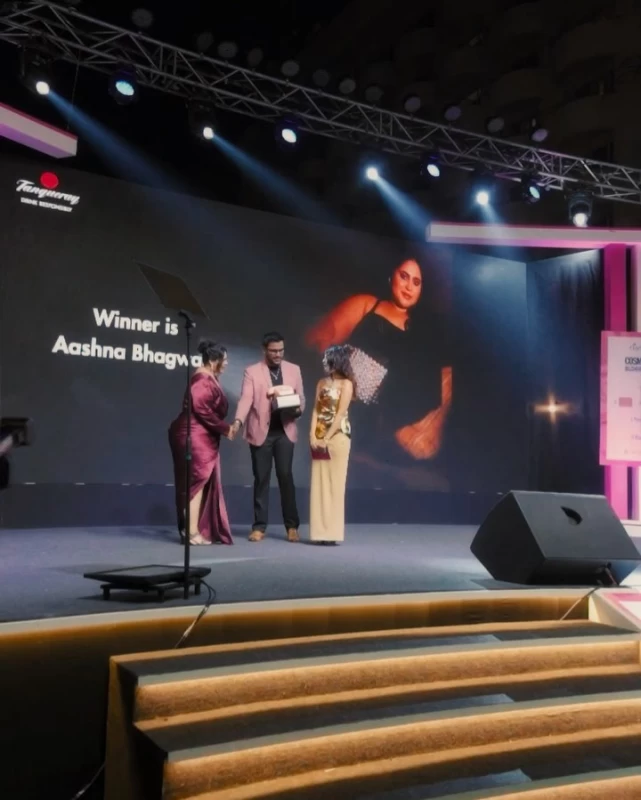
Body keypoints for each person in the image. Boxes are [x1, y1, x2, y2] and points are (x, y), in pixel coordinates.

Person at [306, 258, 452, 482]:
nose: (409, 286)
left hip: (394, 423)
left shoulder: (422, 333)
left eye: (416, 282)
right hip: (349, 402)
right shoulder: (367, 304)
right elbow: (319, 340)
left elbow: (436, 386)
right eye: (404, 276)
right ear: (392, 276)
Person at [232, 332, 305, 542]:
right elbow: (246, 399)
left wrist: (298, 409)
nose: (278, 354)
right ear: (264, 350)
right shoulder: (252, 371)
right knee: (261, 479)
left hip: (285, 432)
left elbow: (301, 398)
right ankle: (259, 527)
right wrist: (238, 421)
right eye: (273, 351)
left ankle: (292, 526)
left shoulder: (294, 369)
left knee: (285, 476)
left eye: (281, 350)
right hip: (260, 432)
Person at [168, 340, 234, 546]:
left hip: (201, 434)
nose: (227, 363)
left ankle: (193, 528)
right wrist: (225, 428)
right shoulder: (202, 380)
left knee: (199, 481)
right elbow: (201, 409)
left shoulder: (208, 378)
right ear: (213, 361)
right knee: (197, 481)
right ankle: (191, 531)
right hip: (194, 434)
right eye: (224, 360)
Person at [309, 345, 355, 545]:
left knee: (335, 485)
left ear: (337, 361)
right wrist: (312, 435)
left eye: (327, 358)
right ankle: (319, 533)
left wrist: (326, 438)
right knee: (319, 485)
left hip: (338, 437)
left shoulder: (347, 384)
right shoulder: (321, 382)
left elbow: (340, 413)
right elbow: (315, 410)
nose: (324, 362)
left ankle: (332, 533)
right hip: (319, 437)